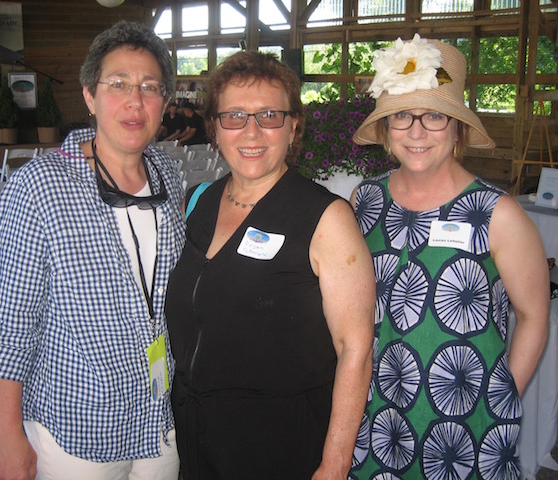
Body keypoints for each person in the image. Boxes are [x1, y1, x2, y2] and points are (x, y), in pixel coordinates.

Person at [0, 21, 185, 480]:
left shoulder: (168, 177)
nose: (135, 100)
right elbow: (12, 325)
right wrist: (7, 435)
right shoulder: (38, 187)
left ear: (165, 103)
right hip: (77, 427)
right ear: (90, 95)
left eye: (150, 87)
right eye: (118, 84)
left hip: (160, 418)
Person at [164, 51, 376, 480]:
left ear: (294, 125)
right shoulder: (199, 201)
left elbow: (355, 348)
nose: (252, 131)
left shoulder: (326, 218)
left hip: (280, 443)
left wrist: (335, 463)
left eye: (270, 116)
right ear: (214, 126)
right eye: (234, 116)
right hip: (196, 436)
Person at [348, 35, 549, 479]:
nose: (416, 132)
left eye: (434, 116)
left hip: (467, 430)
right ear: (385, 128)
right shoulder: (365, 201)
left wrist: (500, 398)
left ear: (457, 128)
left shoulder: (498, 214)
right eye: (402, 115)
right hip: (377, 417)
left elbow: (533, 315)